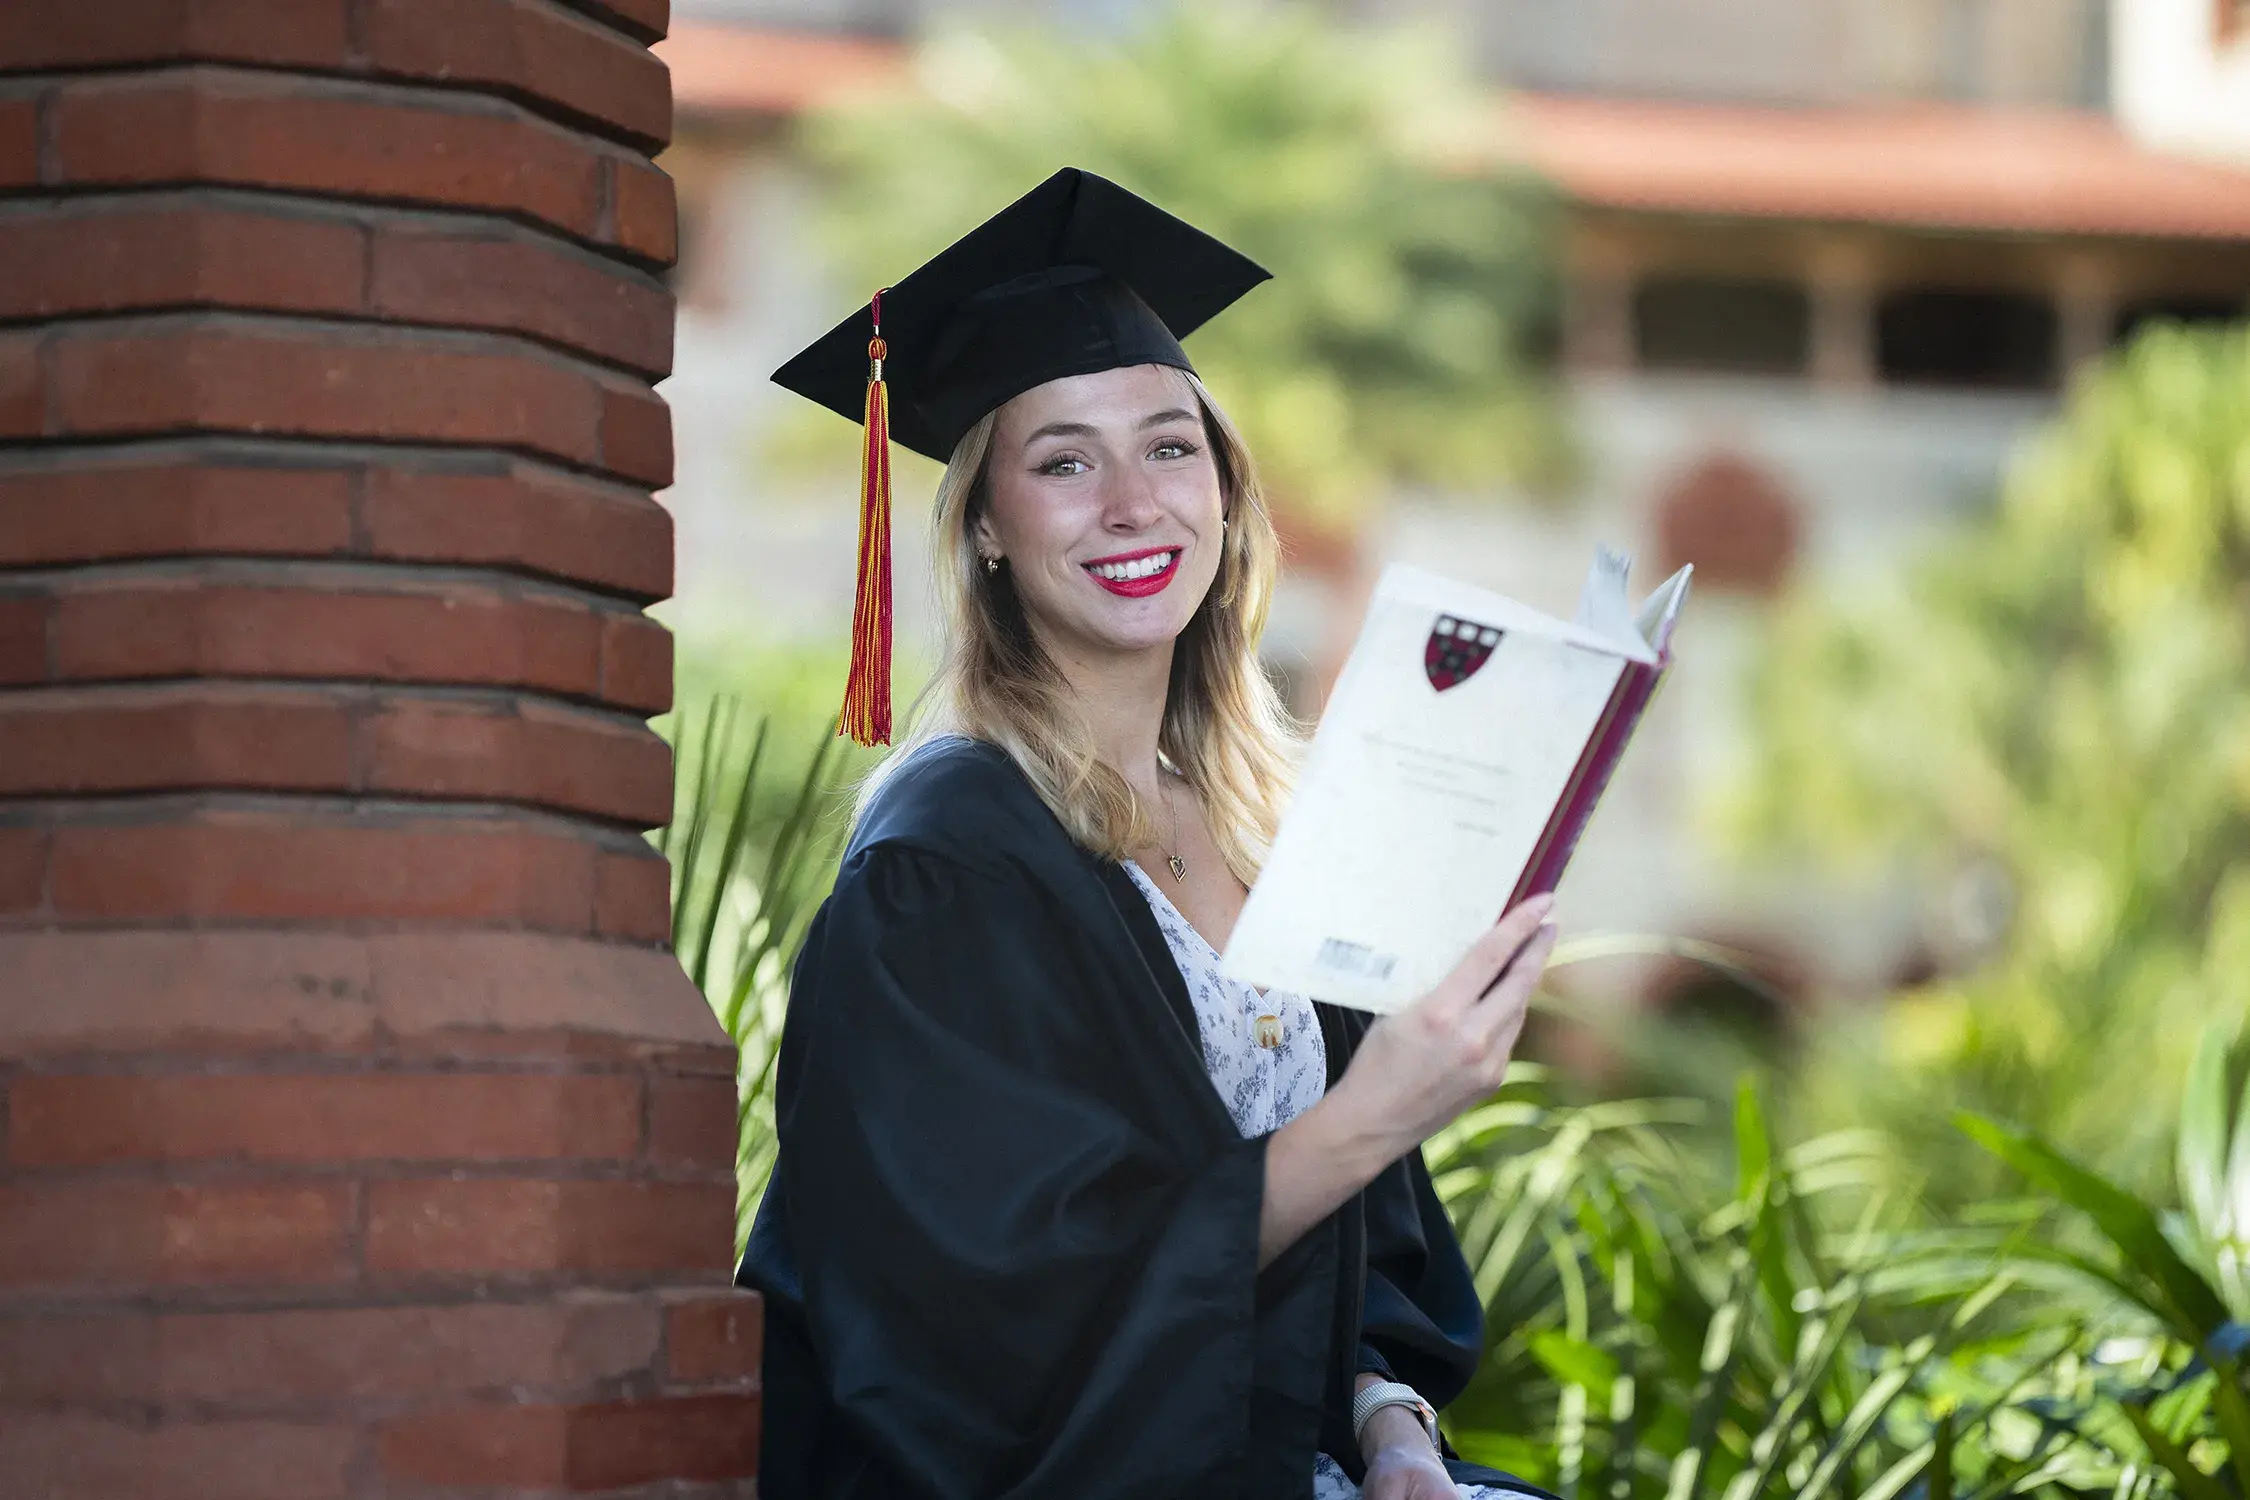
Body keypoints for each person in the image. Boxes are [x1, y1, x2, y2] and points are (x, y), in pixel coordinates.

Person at [738, 168, 1561, 1500]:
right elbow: (983, 1320)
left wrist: (1394, 1433)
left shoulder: (1268, 826)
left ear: (1227, 495)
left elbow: (1364, 1274)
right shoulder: (942, 861)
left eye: (1168, 445)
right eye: (1063, 461)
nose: (1132, 502)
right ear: (988, 530)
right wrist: (1369, 1116)